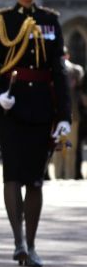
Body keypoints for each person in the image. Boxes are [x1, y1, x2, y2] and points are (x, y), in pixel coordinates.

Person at [0, 0, 71, 267]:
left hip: (41, 109)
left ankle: (31, 244)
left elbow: (59, 73)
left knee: (34, 179)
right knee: (12, 175)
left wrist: (64, 117)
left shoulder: (50, 20)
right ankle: (18, 242)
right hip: (11, 107)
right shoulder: (2, 21)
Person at [53, 47, 83, 179]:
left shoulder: (74, 70)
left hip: (69, 115)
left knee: (67, 147)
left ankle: (66, 175)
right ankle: (62, 175)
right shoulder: (54, 70)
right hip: (60, 115)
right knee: (62, 148)